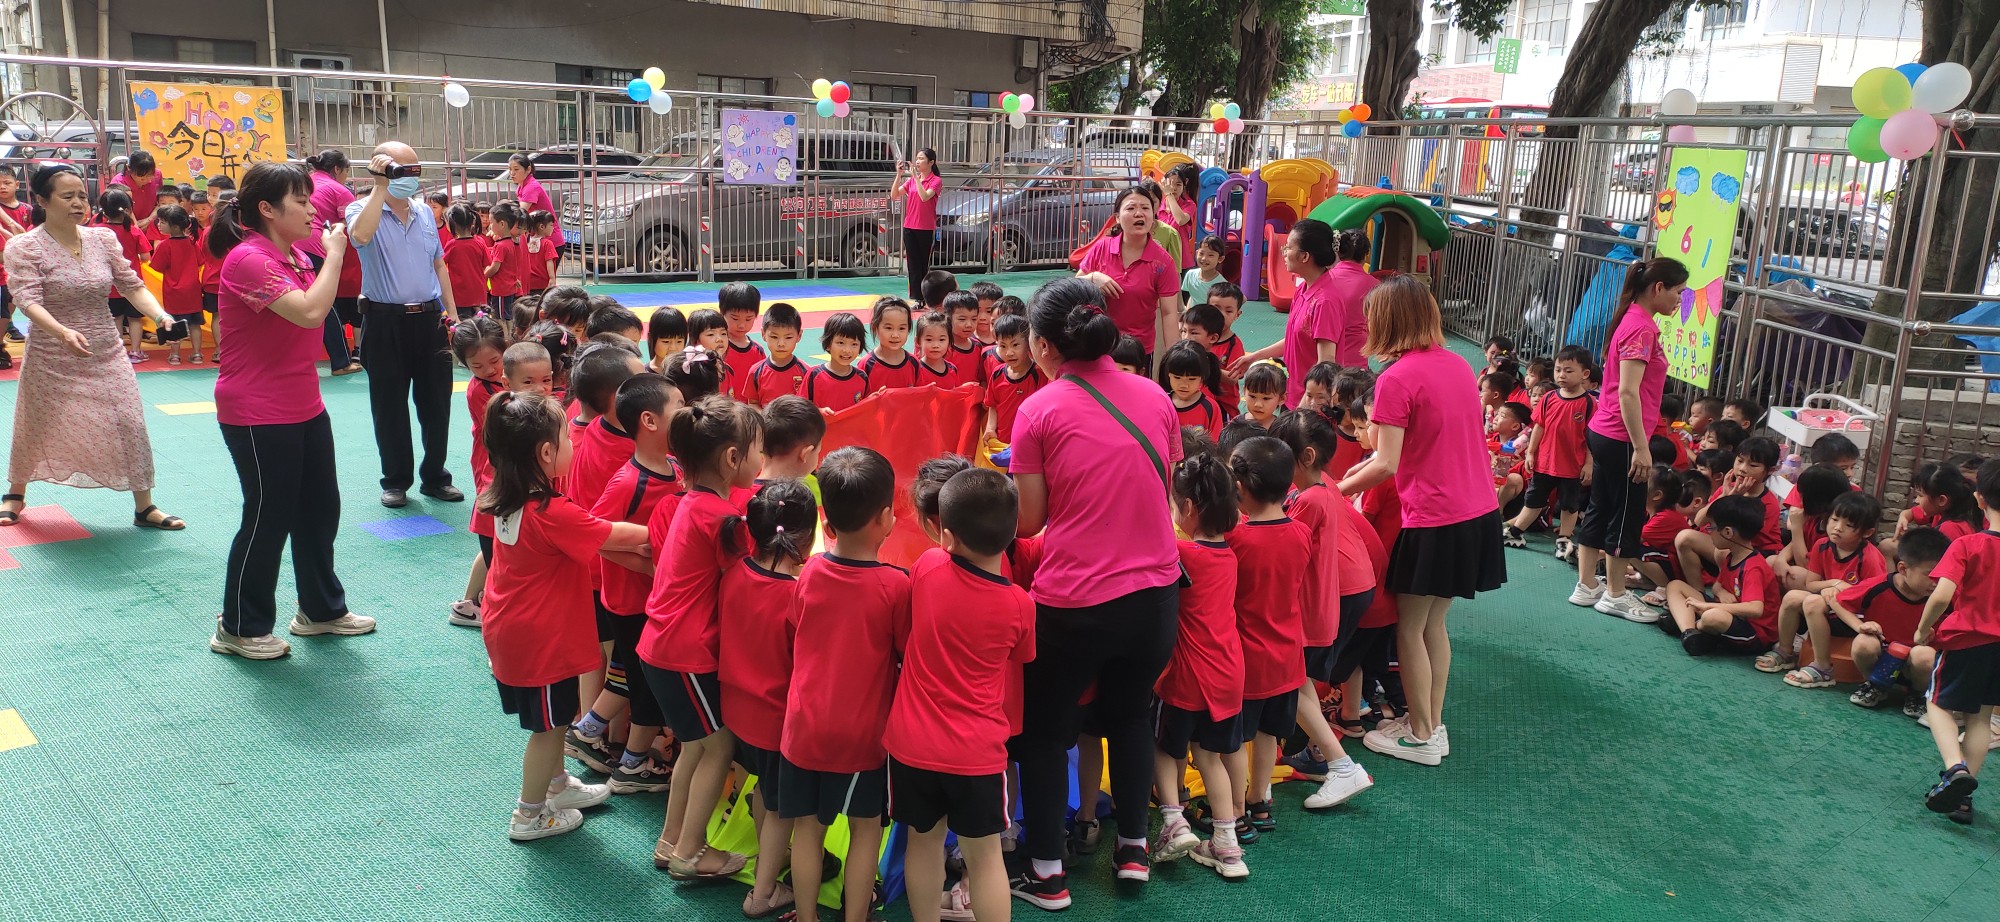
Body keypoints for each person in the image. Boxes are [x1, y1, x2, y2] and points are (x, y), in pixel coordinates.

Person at [1008, 277, 1182, 907]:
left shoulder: (1039, 410)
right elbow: (1164, 487)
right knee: (1131, 717)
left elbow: (1028, 521)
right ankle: (1132, 848)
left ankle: (1047, 870)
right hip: (1156, 594)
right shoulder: (1155, 396)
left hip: (1074, 601)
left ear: (1044, 346)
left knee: (1045, 733)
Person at [202, 162, 375, 658]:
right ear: (267, 209)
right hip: (257, 410)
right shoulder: (248, 259)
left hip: (304, 403)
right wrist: (335, 254)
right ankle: (239, 626)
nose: (311, 210)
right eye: (301, 201)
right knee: (268, 514)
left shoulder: (297, 254)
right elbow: (310, 312)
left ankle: (320, 610)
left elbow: (348, 246)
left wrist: (379, 192)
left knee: (320, 508)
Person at [1337, 275, 1505, 766]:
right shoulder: (1458, 364)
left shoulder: (1395, 378)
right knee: (1434, 624)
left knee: (1410, 628)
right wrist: (1354, 476)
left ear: (1387, 321)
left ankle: (1422, 735)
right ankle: (1429, 722)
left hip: (1434, 517)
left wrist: (1334, 491)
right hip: (1477, 512)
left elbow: (1387, 462)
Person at [476, 392, 645, 841]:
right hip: (540, 641)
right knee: (549, 729)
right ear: (547, 453)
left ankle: (557, 786)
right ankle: (529, 815)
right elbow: (614, 534)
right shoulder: (550, 511)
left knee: (552, 718)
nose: (574, 443)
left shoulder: (506, 495)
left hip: (512, 629)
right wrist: (671, 528)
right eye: (568, 438)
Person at [888, 468, 1037, 922]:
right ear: (1013, 530)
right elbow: (1021, 655)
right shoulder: (1019, 605)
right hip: (976, 755)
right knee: (986, 857)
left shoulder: (928, 567)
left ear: (947, 537)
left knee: (923, 843)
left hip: (912, 746)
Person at [2, 164, 184, 532]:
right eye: (67, 196)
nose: (78, 203)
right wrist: (61, 332)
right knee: (36, 421)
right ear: (42, 200)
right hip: (52, 351)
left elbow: (132, 285)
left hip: (105, 347)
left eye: (82, 196)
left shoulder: (103, 239)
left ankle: (144, 506)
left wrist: (162, 315)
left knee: (129, 421)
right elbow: (27, 300)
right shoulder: (25, 246)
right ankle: (15, 493)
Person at [640, 396, 764, 879]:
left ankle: (671, 841)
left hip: (662, 645)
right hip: (687, 652)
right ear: (733, 458)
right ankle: (691, 853)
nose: (761, 458)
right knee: (719, 747)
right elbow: (749, 581)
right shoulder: (721, 518)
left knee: (695, 745)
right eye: (758, 449)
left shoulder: (694, 503)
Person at [786, 447, 905, 922]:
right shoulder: (895, 586)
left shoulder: (810, 572)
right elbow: (905, 650)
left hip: (803, 729)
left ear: (826, 522)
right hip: (861, 738)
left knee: (807, 830)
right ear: (885, 518)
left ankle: (807, 916)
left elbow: (796, 627)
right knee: (865, 830)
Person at [716, 479, 815, 919]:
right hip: (776, 722)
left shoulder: (735, 572)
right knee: (779, 808)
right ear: (807, 537)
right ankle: (763, 893)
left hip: (736, 711)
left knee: (763, 790)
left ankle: (768, 860)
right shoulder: (796, 595)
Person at [1570, 258, 1689, 620]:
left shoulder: (1632, 319)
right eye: (1678, 292)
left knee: (1600, 507)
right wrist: (1640, 447)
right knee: (1625, 516)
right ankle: (1615, 593)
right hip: (1621, 436)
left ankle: (1587, 585)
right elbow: (1627, 392)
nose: (1679, 300)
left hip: (1605, 432)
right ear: (1658, 288)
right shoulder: (1641, 328)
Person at [345, 141, 462, 509]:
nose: (410, 177)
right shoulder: (360, 209)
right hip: (384, 320)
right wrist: (380, 187)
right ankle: (395, 481)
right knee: (389, 406)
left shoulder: (425, 212)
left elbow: (439, 264)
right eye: (401, 170)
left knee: (437, 404)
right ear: (380, 168)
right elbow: (360, 237)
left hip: (429, 320)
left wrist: (453, 315)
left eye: (415, 170)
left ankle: (436, 476)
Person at [1916, 461, 2000, 824]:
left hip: (1967, 640)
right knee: (1981, 716)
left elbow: (1941, 594)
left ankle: (1954, 769)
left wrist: (1923, 629)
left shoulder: (1968, 544)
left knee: (1936, 703)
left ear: (1980, 499)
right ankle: (1962, 799)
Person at [1227, 221, 1357, 407]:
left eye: (1288, 247)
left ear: (1304, 256)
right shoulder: (1303, 289)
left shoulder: (1325, 301)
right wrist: (1255, 357)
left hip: (1309, 404)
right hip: (1293, 395)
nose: (1284, 252)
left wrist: (1303, 409)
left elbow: (1326, 364)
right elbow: (1293, 339)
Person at [1075, 187, 1181, 368]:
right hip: (1099, 345)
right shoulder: (1102, 248)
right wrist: (1093, 278)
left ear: (1153, 215)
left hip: (1137, 353)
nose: (1139, 213)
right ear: (1117, 217)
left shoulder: (1163, 262)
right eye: (1131, 208)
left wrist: (1174, 359)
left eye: (1145, 208)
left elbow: (1169, 313)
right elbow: (1074, 285)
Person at [1663, 495, 1780, 657]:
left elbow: (1755, 609)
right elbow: (1718, 585)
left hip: (1754, 633)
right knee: (1675, 586)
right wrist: (1721, 592)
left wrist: (1709, 606)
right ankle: (1690, 633)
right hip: (1731, 615)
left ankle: (1692, 624)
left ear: (1727, 532)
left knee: (1712, 617)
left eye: (1711, 527)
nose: (1708, 532)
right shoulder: (1731, 556)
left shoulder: (1753, 567)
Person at [302, 149, 365, 375]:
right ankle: (341, 361)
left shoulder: (304, 182)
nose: (346, 176)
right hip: (313, 246)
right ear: (337, 169)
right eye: (346, 171)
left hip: (286, 244)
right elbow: (357, 230)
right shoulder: (339, 190)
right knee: (324, 303)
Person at [895, 148, 943, 301]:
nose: (917, 161)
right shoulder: (911, 181)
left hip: (925, 228)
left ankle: (924, 297)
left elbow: (924, 197)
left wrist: (916, 178)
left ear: (931, 162)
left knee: (922, 265)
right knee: (912, 264)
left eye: (921, 158)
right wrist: (899, 175)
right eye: (917, 158)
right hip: (909, 226)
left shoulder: (935, 181)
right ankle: (916, 297)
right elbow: (894, 194)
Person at [803, 311, 870, 410]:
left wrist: (878, 397)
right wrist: (819, 411)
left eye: (854, 344)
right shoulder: (814, 375)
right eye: (840, 343)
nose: (847, 350)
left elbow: (868, 408)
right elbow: (801, 408)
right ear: (828, 344)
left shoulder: (862, 377)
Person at [506, 152, 565, 257]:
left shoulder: (531, 187)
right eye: (510, 169)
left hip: (549, 240)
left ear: (528, 169)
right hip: (537, 238)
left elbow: (521, 213)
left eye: (516, 169)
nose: (512, 173)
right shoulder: (522, 186)